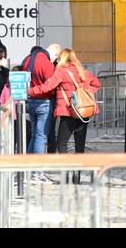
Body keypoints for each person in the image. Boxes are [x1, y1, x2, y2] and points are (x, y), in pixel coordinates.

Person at [28, 49, 100, 185]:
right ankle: (77, 176)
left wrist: (30, 91)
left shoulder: (61, 71)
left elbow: (47, 87)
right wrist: (85, 93)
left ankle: (66, 173)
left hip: (68, 113)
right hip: (83, 112)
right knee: (80, 146)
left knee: (62, 143)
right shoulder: (81, 71)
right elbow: (96, 83)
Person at [21, 44, 62, 184]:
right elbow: (50, 87)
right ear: (55, 55)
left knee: (34, 135)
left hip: (30, 102)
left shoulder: (27, 59)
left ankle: (28, 169)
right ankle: (38, 173)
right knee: (41, 136)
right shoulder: (46, 63)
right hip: (44, 102)